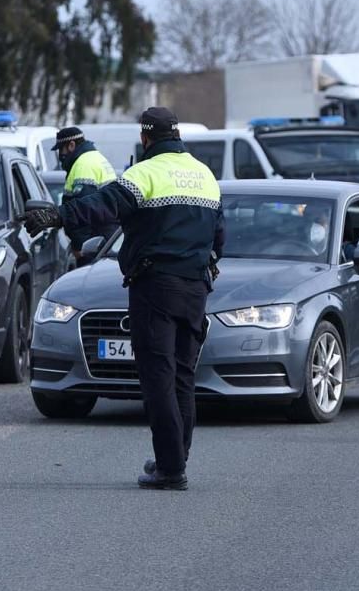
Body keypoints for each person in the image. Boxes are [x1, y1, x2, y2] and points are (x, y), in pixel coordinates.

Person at [22, 107, 223, 491]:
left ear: (146, 139)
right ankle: (176, 457)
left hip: (156, 286)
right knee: (183, 375)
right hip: (195, 288)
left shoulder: (144, 173)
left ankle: (169, 468)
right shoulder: (204, 175)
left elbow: (104, 205)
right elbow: (219, 237)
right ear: (176, 135)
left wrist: (57, 217)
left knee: (158, 376)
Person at [51, 126, 117, 262]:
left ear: (71, 145)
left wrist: (80, 246)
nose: (60, 155)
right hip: (106, 240)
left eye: (60, 149)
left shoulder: (83, 165)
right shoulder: (95, 158)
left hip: (93, 246)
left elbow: (82, 211)